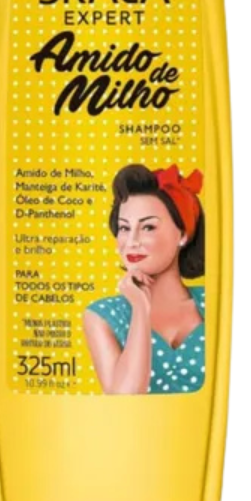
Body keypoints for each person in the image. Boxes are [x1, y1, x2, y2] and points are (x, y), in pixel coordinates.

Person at [83, 164, 207, 394]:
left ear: (182, 234)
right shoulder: (102, 316)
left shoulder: (215, 302)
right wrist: (140, 308)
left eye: (148, 227)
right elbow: (124, 399)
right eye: (124, 228)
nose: (132, 241)